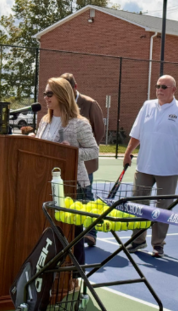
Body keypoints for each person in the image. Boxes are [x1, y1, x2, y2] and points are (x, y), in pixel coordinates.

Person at [123, 75, 178, 258]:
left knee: (163, 208)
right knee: (139, 205)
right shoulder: (147, 106)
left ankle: (158, 245)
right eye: (157, 86)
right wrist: (128, 152)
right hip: (144, 166)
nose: (160, 90)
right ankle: (137, 241)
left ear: (173, 90)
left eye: (164, 87)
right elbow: (136, 133)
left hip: (168, 169)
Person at [35, 77, 100, 268]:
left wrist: (71, 152)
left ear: (62, 95)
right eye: (45, 93)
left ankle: (75, 275)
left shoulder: (79, 123)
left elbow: (94, 150)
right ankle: (50, 270)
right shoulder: (45, 121)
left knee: (72, 231)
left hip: (71, 184)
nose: (45, 97)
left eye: (49, 94)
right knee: (49, 228)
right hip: (44, 181)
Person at [60, 72, 105, 247]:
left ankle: (92, 233)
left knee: (86, 196)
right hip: (64, 161)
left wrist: (83, 150)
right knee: (68, 197)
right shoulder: (60, 104)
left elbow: (99, 132)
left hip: (85, 162)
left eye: (67, 90)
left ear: (75, 88)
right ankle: (71, 232)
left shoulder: (90, 104)